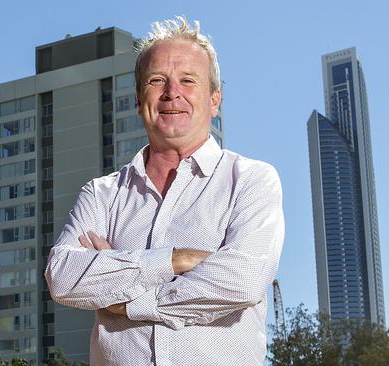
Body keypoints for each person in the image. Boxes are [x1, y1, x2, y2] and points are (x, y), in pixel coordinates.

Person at [45, 16, 284, 366]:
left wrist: (125, 299)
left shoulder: (251, 180)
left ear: (215, 99)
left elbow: (243, 281)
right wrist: (176, 260)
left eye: (188, 80)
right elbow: (63, 276)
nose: (173, 93)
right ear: (139, 97)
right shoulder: (102, 195)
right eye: (158, 81)